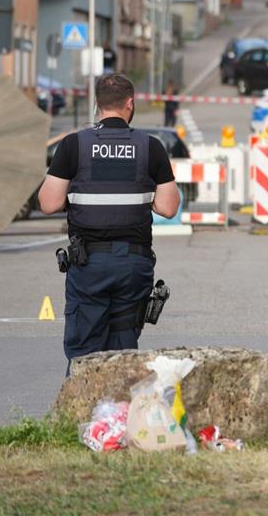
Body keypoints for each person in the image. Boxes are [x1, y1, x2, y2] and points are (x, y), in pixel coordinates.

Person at [38, 73, 180, 373]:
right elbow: (168, 207)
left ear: (96, 104)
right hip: (133, 266)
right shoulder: (150, 147)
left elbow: (48, 203)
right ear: (130, 103)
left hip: (89, 265)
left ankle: (83, 416)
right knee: (124, 354)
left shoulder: (74, 145)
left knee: (85, 354)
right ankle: (121, 416)